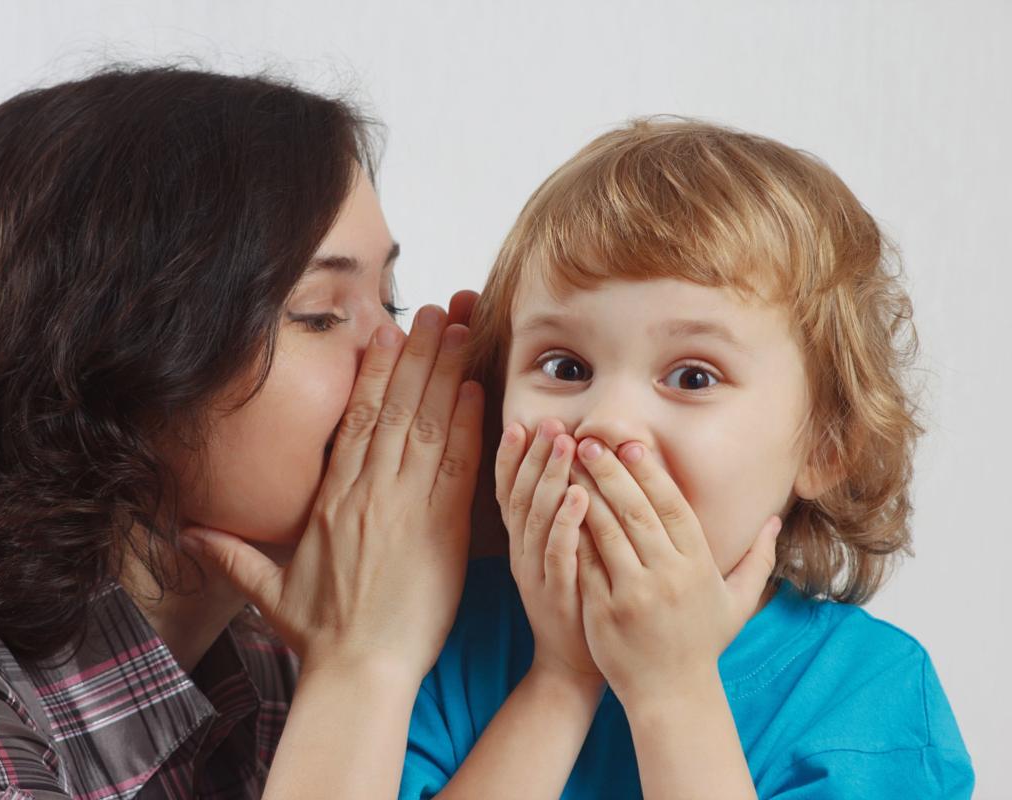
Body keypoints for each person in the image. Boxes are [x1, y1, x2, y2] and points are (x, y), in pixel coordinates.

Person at [0, 66, 485, 799]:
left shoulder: (264, 659)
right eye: (320, 314)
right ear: (119, 360)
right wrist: (364, 664)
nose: (399, 356)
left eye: (390, 300)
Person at [400, 118, 975, 798]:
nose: (607, 422)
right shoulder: (438, 637)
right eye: (566, 365)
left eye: (693, 377)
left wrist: (673, 690)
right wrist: (560, 680)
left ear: (825, 446)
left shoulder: (871, 695)